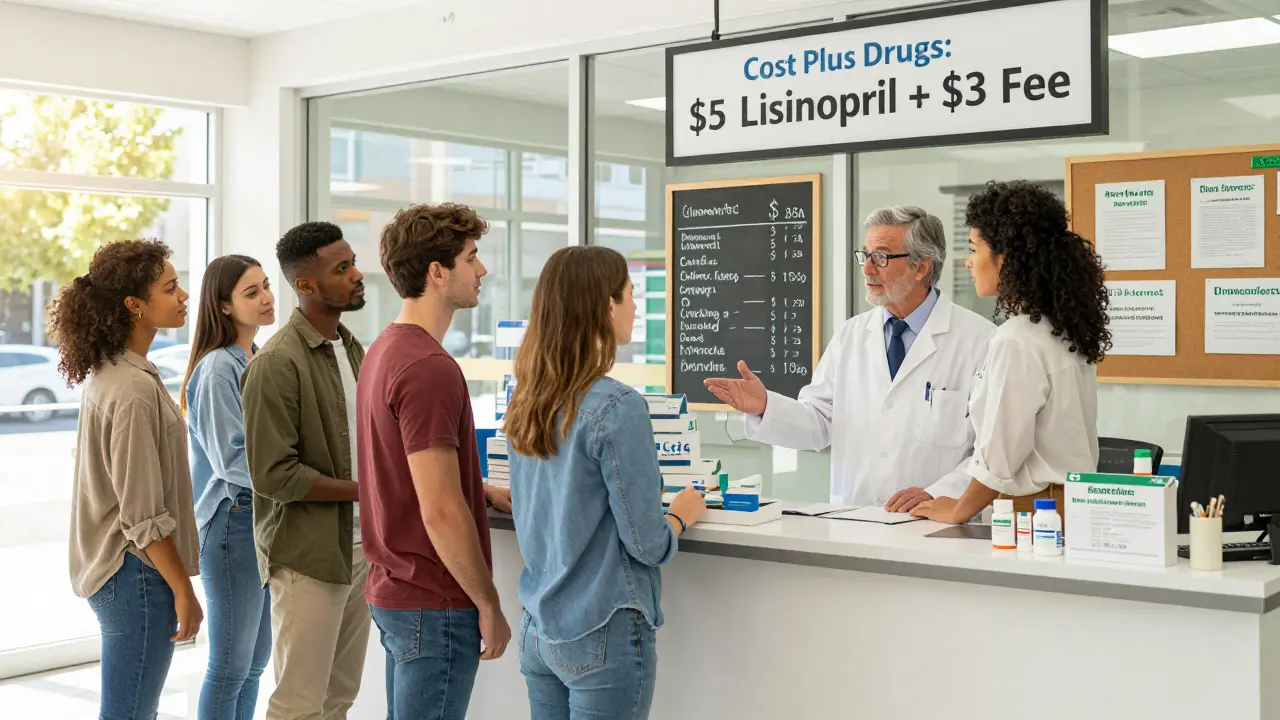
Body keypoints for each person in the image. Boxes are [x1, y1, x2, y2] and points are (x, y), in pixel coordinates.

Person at [504, 245, 708, 720]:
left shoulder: (527, 401)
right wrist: (681, 513)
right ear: (605, 305)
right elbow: (647, 543)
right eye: (630, 294)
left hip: (539, 631)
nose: (636, 306)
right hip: (604, 631)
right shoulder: (617, 406)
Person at [705, 206, 996, 511]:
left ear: (921, 267)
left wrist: (937, 494)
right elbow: (820, 421)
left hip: (936, 525)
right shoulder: (852, 335)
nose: (867, 269)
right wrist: (765, 406)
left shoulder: (980, 341)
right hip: (854, 522)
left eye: (881, 257)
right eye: (865, 256)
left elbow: (990, 452)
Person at [357, 203, 515, 719]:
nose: (482, 270)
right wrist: (488, 604)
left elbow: (406, 472)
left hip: (397, 593)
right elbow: (441, 511)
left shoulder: (385, 350)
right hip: (435, 602)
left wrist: (478, 485)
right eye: (472, 257)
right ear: (437, 272)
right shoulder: (430, 368)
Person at [53, 239, 200, 720]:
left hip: (124, 573)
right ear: (135, 304)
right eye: (170, 287)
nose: (183, 297)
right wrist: (183, 589)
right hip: (135, 574)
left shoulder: (119, 372)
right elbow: (142, 514)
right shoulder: (132, 388)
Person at [912, 181, 1107, 524]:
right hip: (1071, 510)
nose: (968, 262)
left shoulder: (1016, 339)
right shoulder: (1060, 330)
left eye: (974, 249)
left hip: (1034, 513)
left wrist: (959, 510)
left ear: (1004, 258)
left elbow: (1000, 454)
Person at [242, 221, 369, 720]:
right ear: (306, 285)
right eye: (343, 269)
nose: (358, 275)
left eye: (353, 261)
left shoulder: (354, 349)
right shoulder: (276, 362)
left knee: (339, 699)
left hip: (360, 550)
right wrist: (367, 492)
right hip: (308, 559)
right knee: (298, 705)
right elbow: (274, 475)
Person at [182, 255, 276, 720]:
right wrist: (294, 480)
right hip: (233, 521)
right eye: (251, 292)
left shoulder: (257, 358)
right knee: (230, 665)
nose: (266, 298)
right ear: (223, 306)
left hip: (260, 519)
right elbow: (232, 459)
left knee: (256, 664)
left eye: (265, 287)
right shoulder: (219, 368)